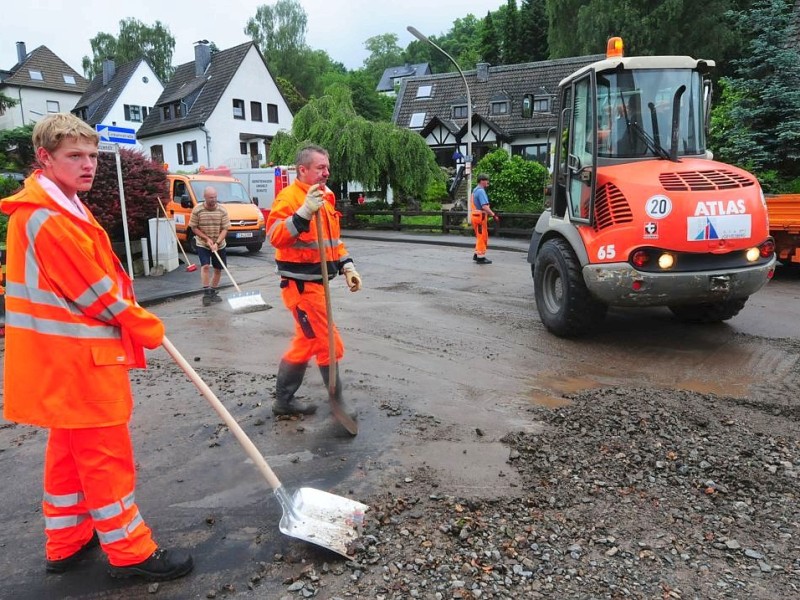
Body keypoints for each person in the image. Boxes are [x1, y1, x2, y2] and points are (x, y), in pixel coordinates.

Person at [0, 113, 193, 582]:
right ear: (44, 157)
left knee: (67, 453)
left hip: (64, 362)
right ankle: (130, 552)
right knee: (106, 457)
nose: (88, 166)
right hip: (80, 363)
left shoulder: (58, 206)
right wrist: (145, 325)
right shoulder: (48, 218)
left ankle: (66, 542)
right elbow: (96, 293)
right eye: (75, 156)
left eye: (92, 156)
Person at [265, 144, 362, 417]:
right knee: (327, 341)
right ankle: (338, 403)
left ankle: (283, 401)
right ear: (303, 170)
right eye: (320, 168)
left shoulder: (326, 197)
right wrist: (303, 213)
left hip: (318, 285)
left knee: (306, 342)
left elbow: (332, 243)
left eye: (327, 167)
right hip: (301, 288)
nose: (326, 173)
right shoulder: (289, 199)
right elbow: (274, 236)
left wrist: (347, 266)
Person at [188, 186, 230, 306]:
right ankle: (206, 292)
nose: (214, 199)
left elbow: (225, 228)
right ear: (205, 197)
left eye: (215, 197)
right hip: (203, 243)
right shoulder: (197, 210)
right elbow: (194, 227)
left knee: (218, 269)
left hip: (219, 244)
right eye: (211, 197)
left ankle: (212, 291)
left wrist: (217, 243)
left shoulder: (222, 210)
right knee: (205, 266)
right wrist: (206, 239)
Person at [471, 173, 498, 264]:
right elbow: (485, 206)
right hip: (480, 217)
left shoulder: (474, 190)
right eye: (486, 180)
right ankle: (481, 257)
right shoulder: (481, 191)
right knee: (482, 237)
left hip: (475, 216)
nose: (488, 182)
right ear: (482, 181)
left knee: (479, 236)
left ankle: (476, 254)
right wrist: (493, 215)